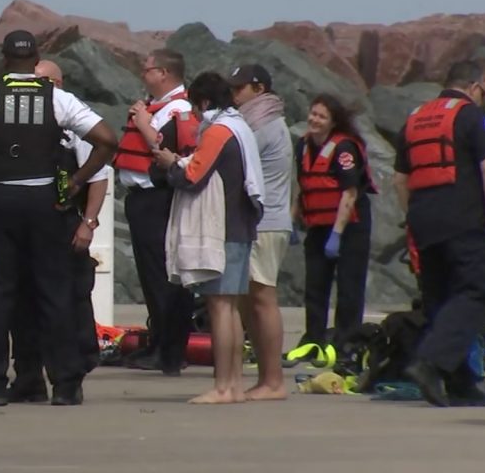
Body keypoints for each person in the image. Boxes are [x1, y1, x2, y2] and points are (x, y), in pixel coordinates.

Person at [0, 30, 118, 406]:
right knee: (54, 293)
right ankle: (66, 385)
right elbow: (107, 140)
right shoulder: (59, 98)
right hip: (46, 200)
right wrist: (75, 182)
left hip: (0, 197)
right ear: (37, 61)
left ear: (3, 59)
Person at [394, 60, 485, 407]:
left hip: (424, 222)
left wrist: (412, 217)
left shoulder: (414, 120)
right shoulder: (473, 117)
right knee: (479, 287)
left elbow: (400, 180)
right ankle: (430, 362)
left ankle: (460, 383)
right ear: (476, 86)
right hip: (464, 220)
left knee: (441, 300)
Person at [155, 72, 263, 404]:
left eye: (196, 108)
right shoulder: (241, 126)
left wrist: (168, 162)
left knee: (219, 307)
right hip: (242, 224)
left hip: (223, 227)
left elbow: (192, 174)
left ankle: (223, 386)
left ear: (204, 102)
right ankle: (234, 386)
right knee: (230, 307)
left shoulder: (218, 130)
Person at [8, 59, 111, 402]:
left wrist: (88, 223)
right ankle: (28, 377)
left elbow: (98, 176)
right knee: (22, 304)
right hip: (23, 226)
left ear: (58, 83)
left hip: (64, 225)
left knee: (67, 304)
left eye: (41, 82)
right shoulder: (17, 118)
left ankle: (70, 378)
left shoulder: (75, 119)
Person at [112, 48, 199, 375]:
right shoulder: (154, 106)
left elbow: (171, 152)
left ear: (164, 73)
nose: (143, 73)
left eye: (147, 68)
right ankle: (159, 342)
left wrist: (144, 122)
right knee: (153, 277)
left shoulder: (177, 109)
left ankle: (169, 351)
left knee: (163, 276)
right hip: (141, 198)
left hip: (158, 199)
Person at [292, 93, 376, 361]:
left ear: (333, 122)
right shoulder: (303, 145)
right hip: (318, 226)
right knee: (315, 285)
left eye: (321, 116)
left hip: (349, 226)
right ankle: (313, 340)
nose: (314, 120)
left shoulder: (344, 149)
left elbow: (349, 193)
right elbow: (302, 185)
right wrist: (292, 220)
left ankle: (346, 343)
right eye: (313, 113)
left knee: (350, 287)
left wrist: (337, 235)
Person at [228, 64, 292, 401]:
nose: (234, 95)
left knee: (263, 298)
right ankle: (267, 377)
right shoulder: (260, 122)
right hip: (264, 220)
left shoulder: (263, 124)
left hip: (264, 223)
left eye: (240, 89)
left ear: (259, 88)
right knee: (248, 301)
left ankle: (273, 380)